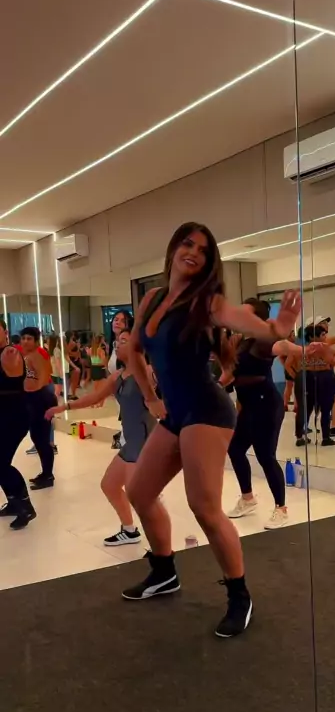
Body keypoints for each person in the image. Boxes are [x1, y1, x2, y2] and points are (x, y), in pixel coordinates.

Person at [123, 222, 300, 638]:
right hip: (175, 412)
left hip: (207, 409)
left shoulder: (207, 303)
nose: (194, 253)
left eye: (203, 250)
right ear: (174, 248)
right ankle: (164, 571)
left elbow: (247, 321)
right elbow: (133, 349)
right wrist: (150, 397)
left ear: (208, 262)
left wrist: (278, 328)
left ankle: (239, 595)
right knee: (140, 491)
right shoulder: (152, 298)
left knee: (204, 507)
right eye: (188, 244)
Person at [46, 330, 157, 546]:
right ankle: (129, 530)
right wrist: (64, 407)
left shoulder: (150, 372)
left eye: (124, 341)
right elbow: (94, 397)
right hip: (131, 443)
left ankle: (160, 546)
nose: (117, 344)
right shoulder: (118, 376)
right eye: (117, 341)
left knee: (140, 497)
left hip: (145, 443)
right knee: (110, 485)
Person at [222, 299, 326, 529]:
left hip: (267, 405)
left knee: (265, 455)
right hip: (248, 405)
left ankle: (281, 509)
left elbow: (283, 346)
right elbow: (230, 374)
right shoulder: (241, 343)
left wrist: (304, 350)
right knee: (235, 449)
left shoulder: (263, 340)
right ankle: (248, 498)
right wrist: (216, 386)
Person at [0, 321, 36, 529]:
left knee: (1, 464)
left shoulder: (10, 352)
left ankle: (25, 506)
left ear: (5, 332)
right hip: (4, 415)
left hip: (14, 417)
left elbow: (13, 374)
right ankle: (14, 503)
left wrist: (11, 356)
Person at [288, 324, 335, 448]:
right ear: (312, 337)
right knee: (324, 408)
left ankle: (300, 437)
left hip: (306, 377)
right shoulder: (324, 348)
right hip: (323, 377)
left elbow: (288, 364)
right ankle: (325, 438)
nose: (325, 337)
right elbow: (333, 359)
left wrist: (297, 375)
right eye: (323, 335)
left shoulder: (300, 350)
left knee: (306, 408)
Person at [21, 327, 57, 490]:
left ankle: (48, 475)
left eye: (29, 338)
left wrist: (34, 391)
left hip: (39, 399)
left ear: (36, 341)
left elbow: (44, 377)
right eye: (24, 338)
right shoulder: (27, 356)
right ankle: (45, 473)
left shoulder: (35, 356)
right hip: (34, 399)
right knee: (37, 437)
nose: (25, 341)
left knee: (41, 439)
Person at [108, 310, 134, 374]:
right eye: (116, 320)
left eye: (123, 321)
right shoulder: (112, 345)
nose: (118, 323)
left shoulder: (131, 345)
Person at [65, 332, 81, 400]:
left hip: (69, 362)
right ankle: (73, 394)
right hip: (73, 362)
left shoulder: (66, 343)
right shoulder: (73, 343)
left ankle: (68, 394)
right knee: (74, 380)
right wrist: (77, 349)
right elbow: (69, 352)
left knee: (69, 380)